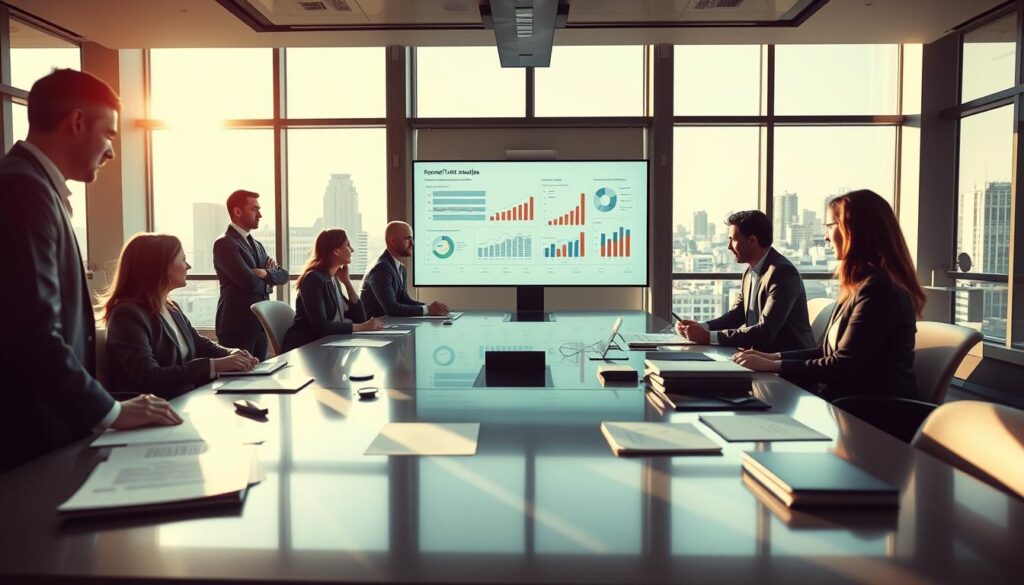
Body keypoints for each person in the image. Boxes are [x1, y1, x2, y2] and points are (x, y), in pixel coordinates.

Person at [0, 69, 181, 471]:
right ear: (77, 122)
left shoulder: (33, 187)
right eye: (110, 135)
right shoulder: (23, 190)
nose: (112, 152)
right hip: (27, 434)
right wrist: (112, 412)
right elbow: (32, 333)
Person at [733, 190, 926, 401]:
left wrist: (773, 365)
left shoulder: (880, 290)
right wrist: (771, 357)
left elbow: (842, 365)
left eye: (830, 226)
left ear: (855, 229)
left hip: (870, 411)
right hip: (846, 401)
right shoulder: (860, 286)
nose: (825, 236)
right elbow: (824, 351)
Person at [103, 234, 260, 400]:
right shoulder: (127, 315)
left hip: (184, 401)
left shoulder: (171, 306)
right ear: (161, 266)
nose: (188, 266)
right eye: (183, 259)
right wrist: (214, 365)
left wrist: (232, 353)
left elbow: (199, 344)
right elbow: (150, 376)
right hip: (156, 410)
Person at [676, 210, 814, 353]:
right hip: (758, 358)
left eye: (733, 239)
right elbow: (738, 315)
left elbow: (765, 331)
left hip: (786, 365)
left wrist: (708, 337)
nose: (729, 246)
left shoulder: (782, 273)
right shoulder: (749, 272)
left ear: (752, 240)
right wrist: (702, 327)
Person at [213, 189, 289, 361]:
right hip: (236, 326)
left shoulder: (257, 244)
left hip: (259, 325)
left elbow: (283, 275)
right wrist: (269, 280)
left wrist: (263, 273)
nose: (260, 215)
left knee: (259, 378)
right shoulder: (225, 243)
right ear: (237, 211)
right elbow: (248, 283)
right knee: (238, 383)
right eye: (254, 209)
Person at [282, 229, 384, 352]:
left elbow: (360, 318)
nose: (352, 250)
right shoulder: (313, 279)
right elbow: (321, 326)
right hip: (305, 347)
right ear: (336, 251)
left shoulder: (332, 279)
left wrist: (347, 282)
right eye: (347, 245)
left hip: (326, 344)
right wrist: (361, 327)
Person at [360, 221, 449, 318]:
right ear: (393, 241)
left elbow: (404, 300)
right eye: (408, 239)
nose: (413, 243)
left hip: (389, 325)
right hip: (375, 329)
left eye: (412, 239)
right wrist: (428, 309)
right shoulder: (381, 268)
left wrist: (430, 308)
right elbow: (392, 309)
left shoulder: (400, 268)